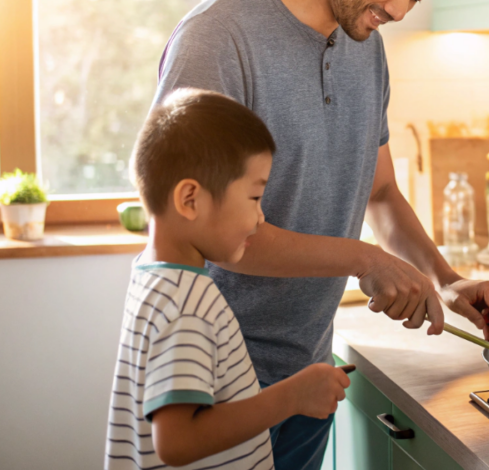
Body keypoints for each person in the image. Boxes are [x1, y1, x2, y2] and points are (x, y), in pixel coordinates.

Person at [154, 0, 489, 467]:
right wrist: (364, 259)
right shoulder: (217, 40)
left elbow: (383, 191)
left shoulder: (365, 49)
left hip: (307, 379)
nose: (399, 10)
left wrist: (444, 279)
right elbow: (205, 232)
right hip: (214, 387)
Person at [105, 89, 350, 470]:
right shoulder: (188, 307)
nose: (261, 217)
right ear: (190, 199)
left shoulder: (152, 275)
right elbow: (177, 441)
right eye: (254, 198)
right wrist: (292, 396)